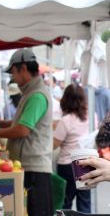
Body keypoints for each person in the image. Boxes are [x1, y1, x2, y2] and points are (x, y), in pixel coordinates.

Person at [0, 48, 54, 216]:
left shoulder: (36, 95)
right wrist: (0, 123)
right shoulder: (30, 93)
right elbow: (23, 121)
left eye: (13, 73)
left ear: (23, 68)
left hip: (34, 169)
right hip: (28, 167)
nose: (13, 78)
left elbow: (23, 129)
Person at [53, 83, 97, 214]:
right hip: (87, 162)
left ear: (65, 100)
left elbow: (54, 144)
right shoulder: (92, 116)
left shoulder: (66, 120)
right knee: (85, 204)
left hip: (68, 165)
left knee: (65, 203)